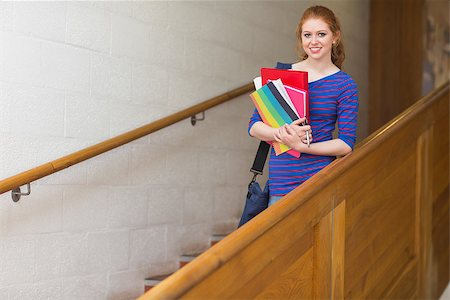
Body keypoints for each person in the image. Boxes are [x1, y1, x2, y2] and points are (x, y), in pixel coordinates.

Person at [248, 5, 359, 206]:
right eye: (307, 35)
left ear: (335, 37)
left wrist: (302, 147)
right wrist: (280, 133)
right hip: (281, 182)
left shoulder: (345, 85)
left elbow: (345, 144)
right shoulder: (282, 75)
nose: (313, 41)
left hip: (319, 180)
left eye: (321, 34)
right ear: (301, 38)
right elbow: (254, 126)